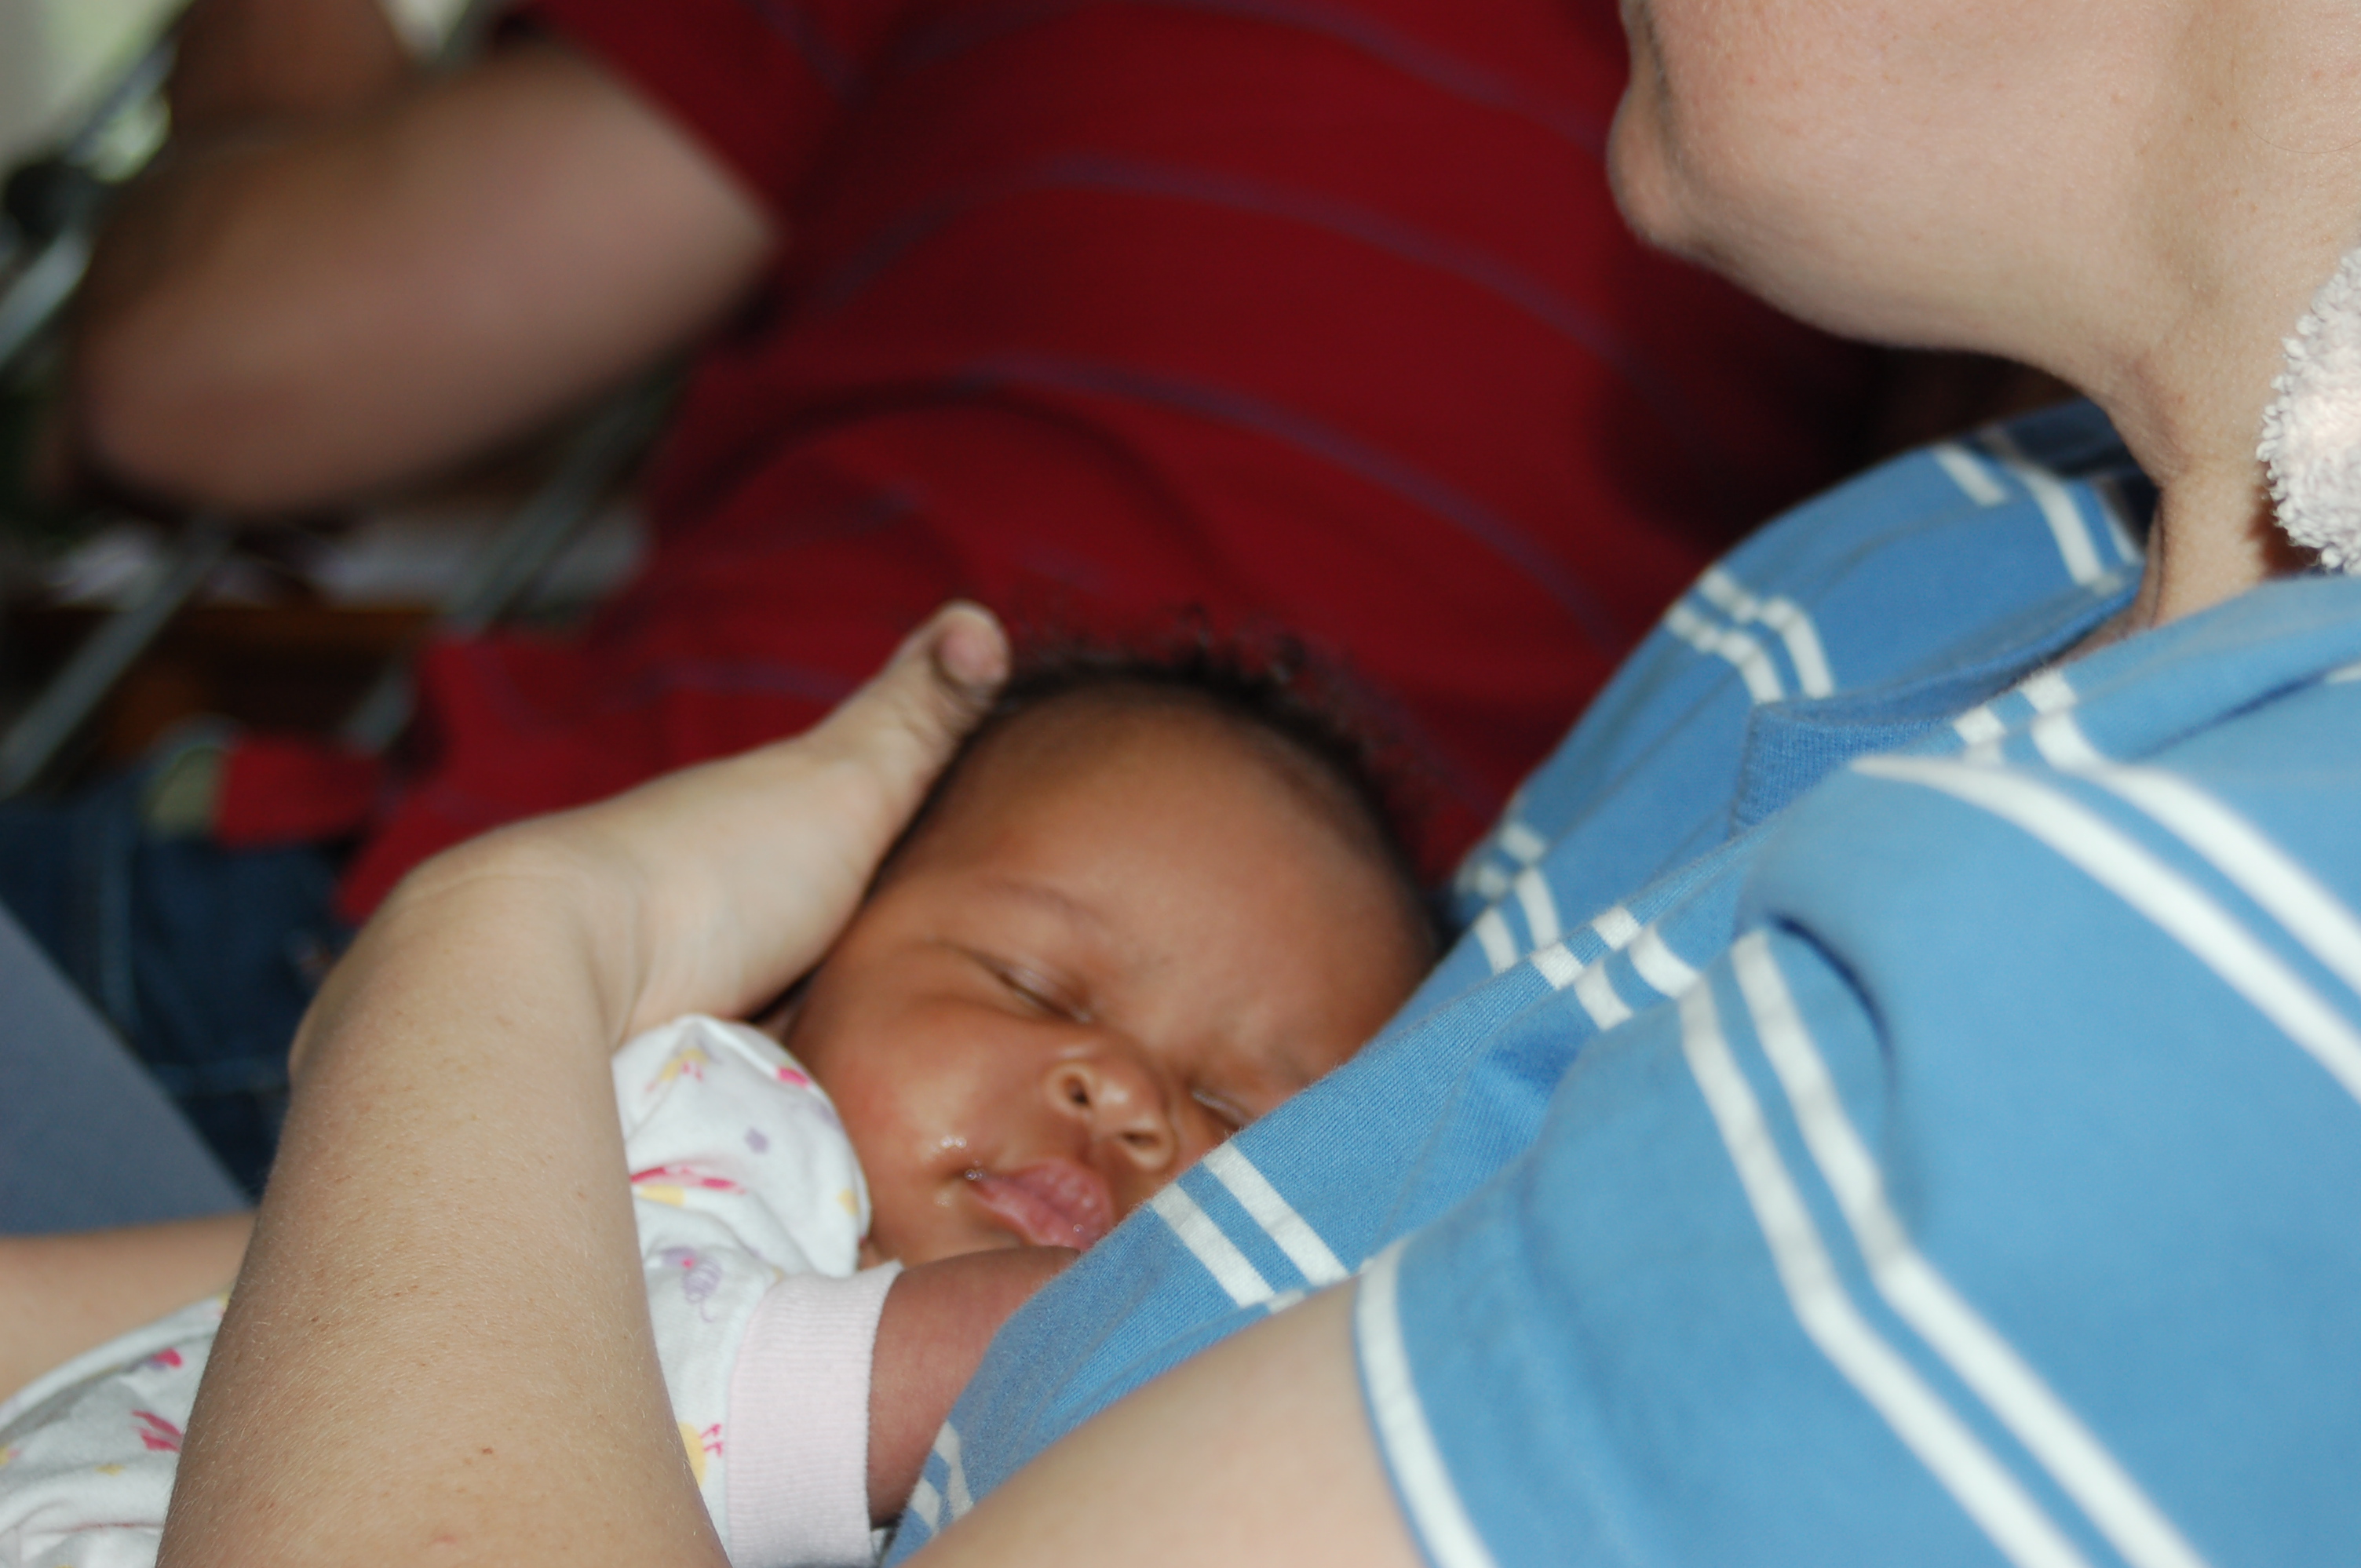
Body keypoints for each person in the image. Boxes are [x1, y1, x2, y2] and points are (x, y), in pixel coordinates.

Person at [118, 0, 2361, 1565]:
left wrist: (497, 952)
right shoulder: (1917, 564)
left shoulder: (2206, 1000)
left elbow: (213, 370)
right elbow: (603, 1250)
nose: (1129, 1094)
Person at [6, 0, 1887, 1196]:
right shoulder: (1882, 180)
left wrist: (273, 42)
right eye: (1037, 987)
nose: (1112, 1087)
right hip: (1113, 1259)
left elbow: (214, 366)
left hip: (453, 964)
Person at [0, 629, 1432, 1568]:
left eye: (1235, 1111)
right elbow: (686, 1364)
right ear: (799, 978)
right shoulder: (724, 1118)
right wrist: (1087, 1324)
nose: (1125, 1095)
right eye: (1033, 987)